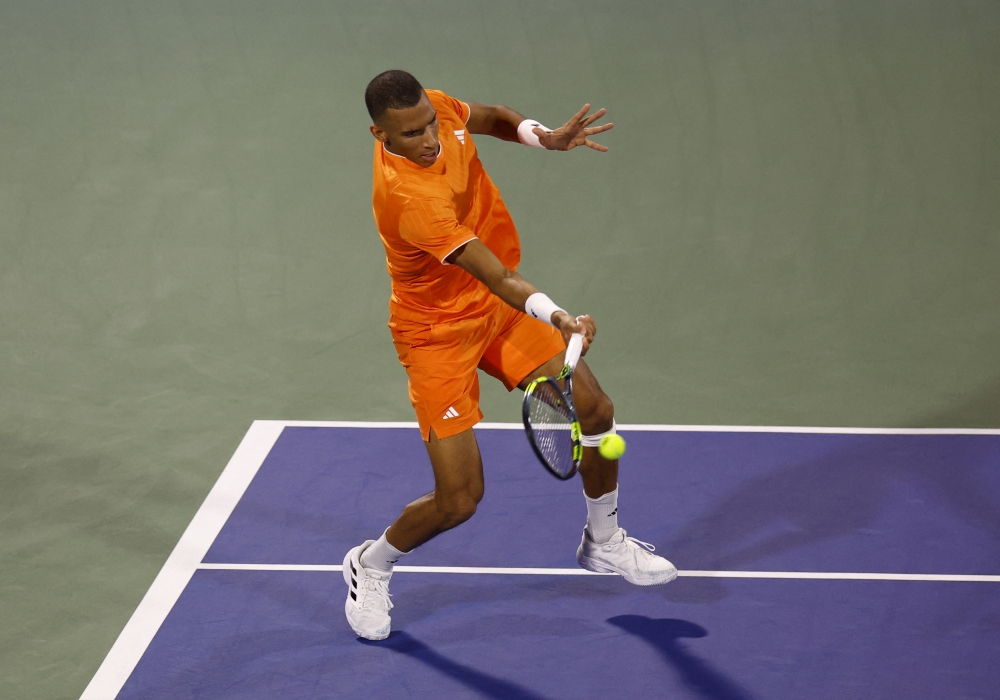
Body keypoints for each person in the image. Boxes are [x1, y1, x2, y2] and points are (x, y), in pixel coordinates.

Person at [344, 70, 676, 641]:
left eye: (430, 124)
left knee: (595, 412)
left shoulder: (438, 113)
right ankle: (370, 565)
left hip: (492, 311)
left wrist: (541, 135)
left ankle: (604, 541)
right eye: (411, 135)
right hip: (436, 334)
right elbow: (496, 275)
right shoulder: (408, 199)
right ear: (380, 136)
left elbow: (491, 116)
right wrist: (559, 317)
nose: (429, 140)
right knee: (461, 498)